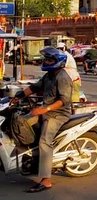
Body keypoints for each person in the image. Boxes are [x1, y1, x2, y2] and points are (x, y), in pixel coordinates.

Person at [14, 47, 73, 192]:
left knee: (44, 141)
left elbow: (64, 100)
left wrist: (44, 109)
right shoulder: (49, 75)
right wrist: (18, 96)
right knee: (20, 121)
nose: (46, 61)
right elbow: (34, 87)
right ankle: (32, 158)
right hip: (46, 111)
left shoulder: (63, 77)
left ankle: (46, 180)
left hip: (57, 114)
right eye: (46, 59)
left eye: (49, 60)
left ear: (58, 61)